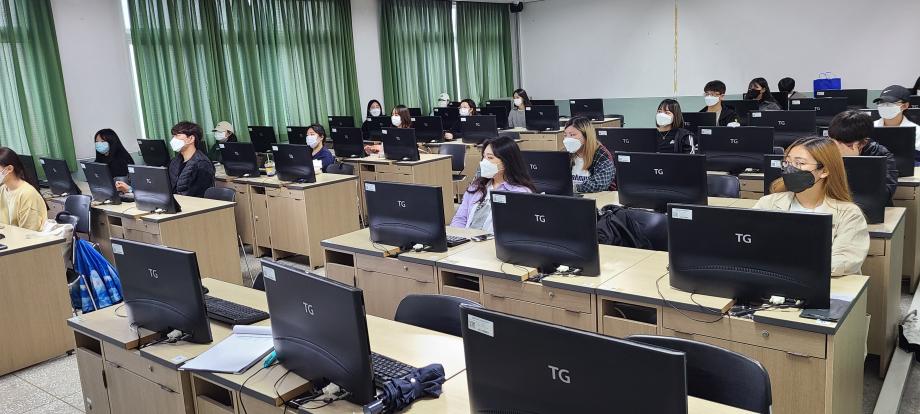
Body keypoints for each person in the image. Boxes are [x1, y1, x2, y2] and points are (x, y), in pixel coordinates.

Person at [754, 136, 869, 276]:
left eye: (800, 163)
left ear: (824, 171)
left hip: (826, 284)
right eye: (787, 162)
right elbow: (751, 246)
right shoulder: (768, 203)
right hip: (777, 281)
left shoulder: (849, 213)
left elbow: (844, 261)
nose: (790, 169)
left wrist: (787, 263)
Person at [450, 136, 536, 232]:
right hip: (467, 239)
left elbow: (516, 230)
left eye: (490, 158)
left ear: (506, 162)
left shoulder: (520, 193)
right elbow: (460, 218)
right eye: (484, 157)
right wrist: (458, 236)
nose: (484, 162)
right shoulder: (476, 186)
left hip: (493, 240)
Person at [118, 121, 215, 197]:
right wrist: (131, 189)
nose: (173, 139)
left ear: (191, 139)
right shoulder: (175, 161)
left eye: (177, 135)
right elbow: (162, 186)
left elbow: (196, 196)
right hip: (174, 204)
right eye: (173, 136)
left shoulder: (202, 164)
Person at [828, 110, 898, 204]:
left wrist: (853, 161)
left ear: (863, 142)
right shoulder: (825, 151)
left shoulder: (881, 154)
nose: (838, 148)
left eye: (846, 145)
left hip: (869, 209)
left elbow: (885, 195)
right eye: (834, 142)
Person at [564, 116, 615, 193]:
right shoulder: (566, 154)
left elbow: (600, 183)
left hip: (598, 197)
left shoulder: (602, 155)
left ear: (586, 136)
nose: (567, 139)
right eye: (565, 135)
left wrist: (574, 188)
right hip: (571, 197)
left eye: (572, 135)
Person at [0, 147, 47, 231]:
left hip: (25, 238)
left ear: (9, 169)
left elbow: (29, 233)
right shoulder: (2, 189)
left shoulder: (27, 194)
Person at [872, 85, 920, 159]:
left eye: (890, 103)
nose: (884, 106)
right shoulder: (869, 128)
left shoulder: (917, 131)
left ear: (905, 106)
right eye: (881, 102)